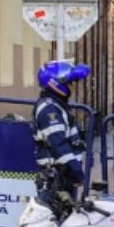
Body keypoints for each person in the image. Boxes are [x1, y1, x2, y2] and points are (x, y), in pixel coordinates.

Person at [33, 61, 89, 190]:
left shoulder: (57, 105)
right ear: (57, 84)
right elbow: (59, 145)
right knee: (56, 210)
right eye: (70, 83)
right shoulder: (50, 109)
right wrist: (77, 173)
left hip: (63, 177)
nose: (73, 87)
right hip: (56, 180)